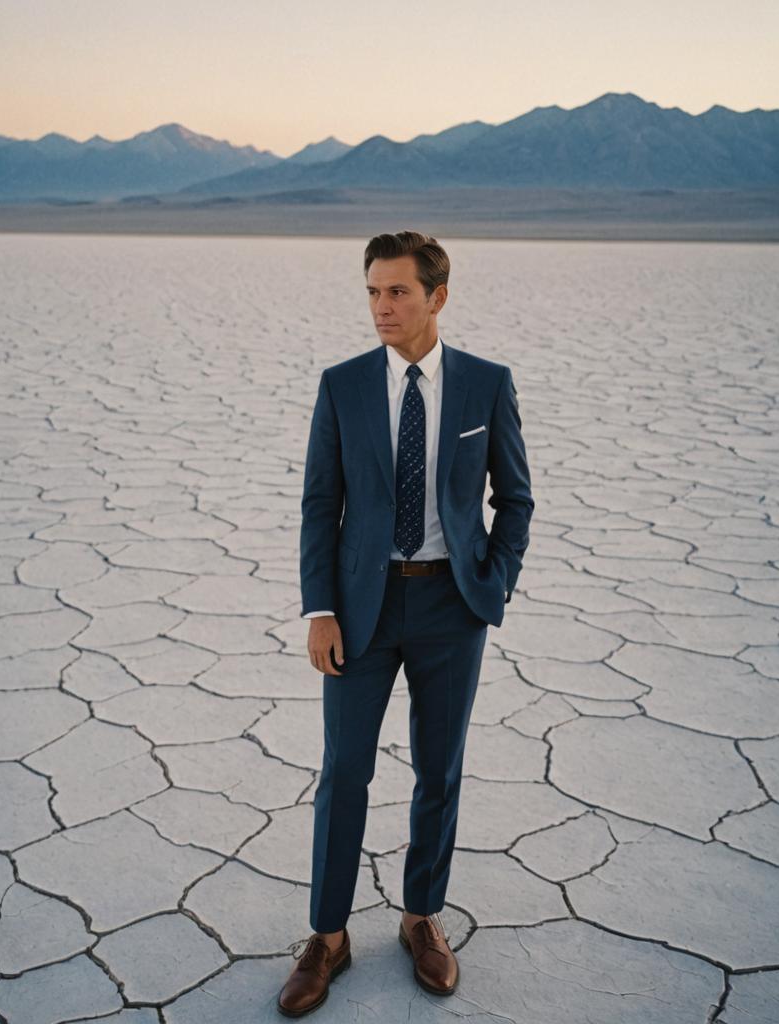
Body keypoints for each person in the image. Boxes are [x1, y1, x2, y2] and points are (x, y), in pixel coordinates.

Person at [278, 230, 535, 1017]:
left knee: (439, 769)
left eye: (397, 292)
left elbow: (515, 499)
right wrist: (319, 608)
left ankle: (422, 916)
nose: (382, 307)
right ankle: (327, 935)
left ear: (436, 297)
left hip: (451, 608)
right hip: (360, 608)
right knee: (344, 771)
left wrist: (491, 586)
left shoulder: (485, 384)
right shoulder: (343, 384)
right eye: (372, 291)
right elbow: (322, 504)